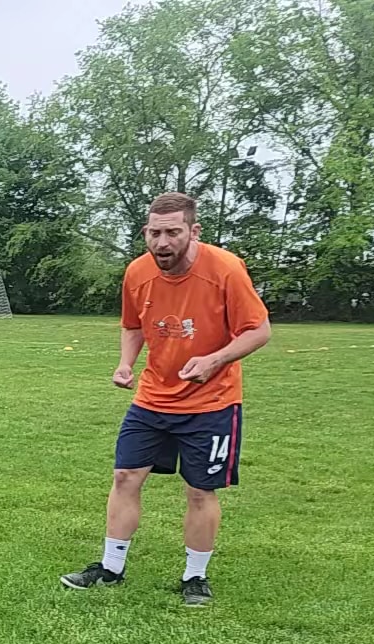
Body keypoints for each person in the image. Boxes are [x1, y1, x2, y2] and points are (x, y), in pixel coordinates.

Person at [60, 191, 271, 606]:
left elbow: (258, 330)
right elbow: (133, 324)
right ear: (145, 232)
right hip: (153, 397)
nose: (163, 242)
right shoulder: (137, 273)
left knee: (198, 490)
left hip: (212, 401)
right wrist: (126, 363)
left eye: (173, 232)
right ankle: (110, 568)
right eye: (154, 233)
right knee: (124, 477)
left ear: (194, 232)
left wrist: (215, 359)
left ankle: (195, 577)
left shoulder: (226, 270)